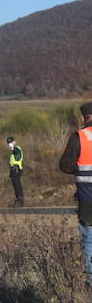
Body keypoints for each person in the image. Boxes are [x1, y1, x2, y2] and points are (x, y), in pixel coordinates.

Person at [56, 102, 92, 288]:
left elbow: (65, 165)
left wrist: (78, 168)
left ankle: (90, 282)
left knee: (89, 238)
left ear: (83, 118)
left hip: (87, 198)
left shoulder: (79, 137)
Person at [6, 135, 25, 207]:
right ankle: (19, 200)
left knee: (17, 185)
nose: (9, 144)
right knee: (16, 185)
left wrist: (12, 147)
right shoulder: (14, 151)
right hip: (14, 169)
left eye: (11, 142)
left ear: (14, 142)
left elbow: (15, 150)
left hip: (16, 169)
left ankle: (19, 201)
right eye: (8, 143)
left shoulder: (17, 148)